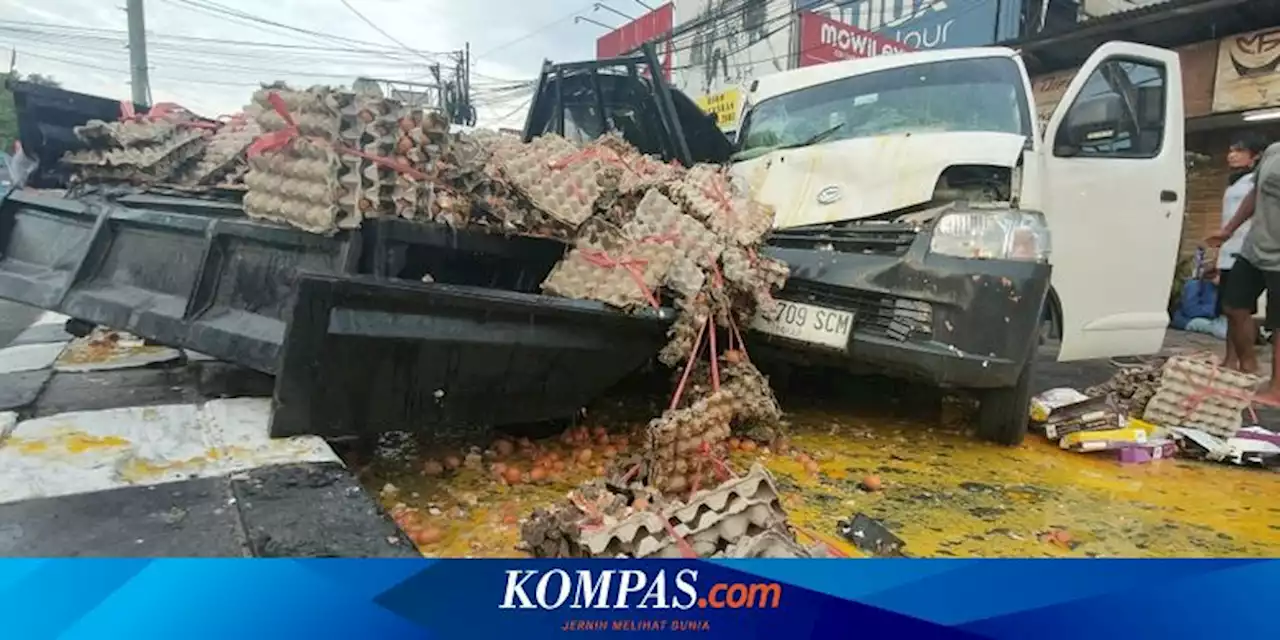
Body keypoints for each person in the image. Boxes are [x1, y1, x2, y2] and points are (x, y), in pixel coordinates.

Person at [1209, 138, 1280, 402]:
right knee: (1234, 306)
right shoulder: (1274, 151)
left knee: (1278, 324)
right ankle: (1249, 367)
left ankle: (1277, 388)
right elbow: (1256, 194)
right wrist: (1228, 230)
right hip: (1254, 248)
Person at [1215, 135, 1268, 368]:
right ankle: (1230, 359)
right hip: (1228, 252)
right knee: (1229, 311)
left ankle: (1249, 363)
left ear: (1255, 156)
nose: (1231, 155)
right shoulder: (1234, 183)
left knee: (1240, 310)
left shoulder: (1255, 183)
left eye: (1239, 151)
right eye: (1230, 150)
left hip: (1246, 253)